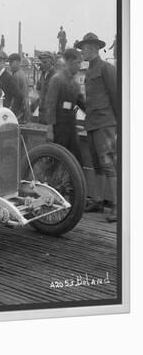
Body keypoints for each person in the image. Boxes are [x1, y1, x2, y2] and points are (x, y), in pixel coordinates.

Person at [75, 33, 118, 222]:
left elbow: (116, 97)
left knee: (108, 165)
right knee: (97, 165)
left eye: (83, 49)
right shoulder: (90, 71)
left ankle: (117, 206)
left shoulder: (106, 68)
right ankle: (99, 201)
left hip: (105, 123)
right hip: (92, 123)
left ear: (92, 48)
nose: (81, 52)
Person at [45, 48, 86, 164]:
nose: (79, 66)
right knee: (56, 160)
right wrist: (50, 129)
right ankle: (48, 181)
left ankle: (76, 182)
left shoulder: (74, 83)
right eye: (78, 63)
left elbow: (82, 103)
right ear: (70, 62)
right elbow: (50, 105)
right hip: (59, 127)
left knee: (77, 160)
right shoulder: (57, 80)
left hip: (71, 126)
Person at [35, 51, 57, 124]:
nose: (42, 64)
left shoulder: (55, 76)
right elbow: (38, 90)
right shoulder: (43, 74)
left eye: (45, 62)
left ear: (51, 62)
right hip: (42, 113)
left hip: (50, 115)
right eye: (42, 62)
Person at [8, 53, 31, 122]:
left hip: (20, 110)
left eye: (11, 62)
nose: (9, 65)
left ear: (18, 63)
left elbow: (16, 98)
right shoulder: (22, 74)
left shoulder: (16, 76)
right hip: (25, 108)